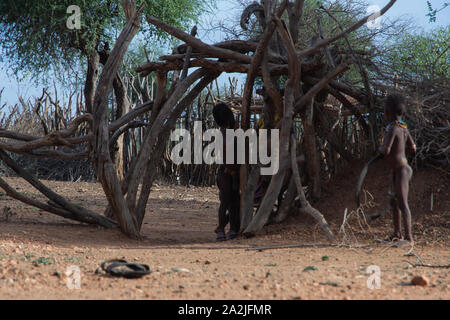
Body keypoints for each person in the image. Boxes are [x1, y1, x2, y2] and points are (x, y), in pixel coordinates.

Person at [378, 93, 416, 243]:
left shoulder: (392, 129)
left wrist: (379, 148)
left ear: (387, 113)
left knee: (402, 203)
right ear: (403, 113)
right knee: (394, 202)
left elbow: (386, 149)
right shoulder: (403, 128)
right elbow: (413, 147)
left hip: (401, 170)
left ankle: (408, 237)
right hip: (400, 169)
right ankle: (397, 234)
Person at [212, 102, 240, 241]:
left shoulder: (232, 132)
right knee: (226, 201)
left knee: (235, 202)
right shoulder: (223, 134)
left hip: (233, 172)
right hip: (225, 172)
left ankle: (232, 229)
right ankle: (223, 230)